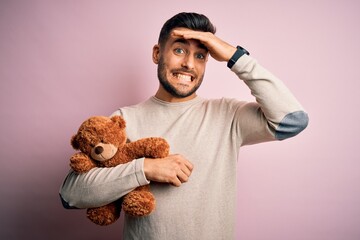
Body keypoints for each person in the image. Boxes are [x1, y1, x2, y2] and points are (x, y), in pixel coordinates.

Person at [60, 12, 309, 240]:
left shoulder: (227, 116)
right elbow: (70, 196)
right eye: (179, 50)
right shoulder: (124, 120)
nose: (189, 64)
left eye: (201, 55)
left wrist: (235, 57)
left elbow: (292, 120)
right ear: (157, 53)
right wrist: (145, 168)